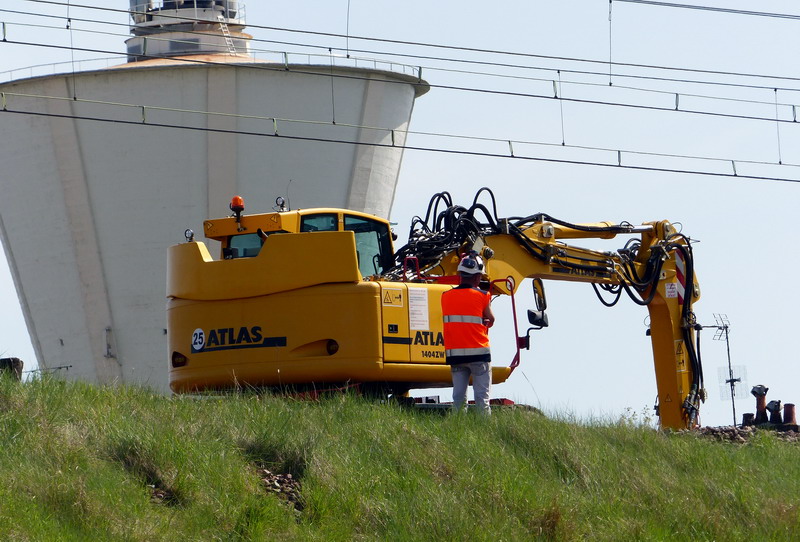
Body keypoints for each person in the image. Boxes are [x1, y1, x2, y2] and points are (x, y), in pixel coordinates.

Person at [441, 251, 495, 415]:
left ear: (460, 275)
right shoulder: (483, 295)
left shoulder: (445, 296)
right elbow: (491, 319)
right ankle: (485, 432)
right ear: (477, 277)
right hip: (479, 354)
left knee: (458, 399)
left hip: (456, 355)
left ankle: (458, 426)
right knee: (482, 399)